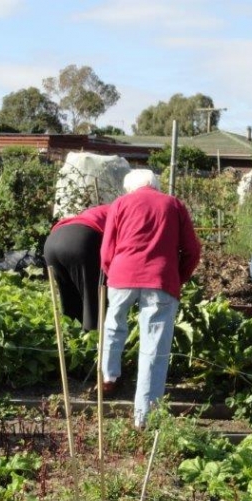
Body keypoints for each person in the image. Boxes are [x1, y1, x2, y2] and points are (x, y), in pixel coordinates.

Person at [100, 169, 201, 428]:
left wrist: (112, 272)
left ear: (131, 187)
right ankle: (144, 416)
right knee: (153, 346)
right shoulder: (174, 204)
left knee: (114, 324)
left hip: (122, 273)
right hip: (160, 278)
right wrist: (178, 277)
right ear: (154, 184)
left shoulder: (121, 203)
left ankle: (108, 375)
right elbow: (192, 250)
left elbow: (107, 248)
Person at [43, 204, 110, 332]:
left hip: (52, 240)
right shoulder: (130, 213)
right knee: (93, 302)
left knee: (70, 303)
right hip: (82, 239)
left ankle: (71, 339)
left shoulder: (107, 208)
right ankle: (92, 340)